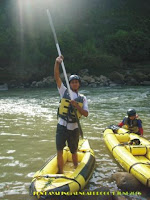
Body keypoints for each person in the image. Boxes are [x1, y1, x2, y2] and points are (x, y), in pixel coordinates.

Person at [54, 55, 89, 174]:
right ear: (70, 84)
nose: (74, 84)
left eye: (76, 82)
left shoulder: (82, 98)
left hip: (74, 128)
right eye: (72, 82)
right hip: (62, 126)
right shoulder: (64, 91)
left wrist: (77, 106)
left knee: (74, 151)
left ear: (79, 84)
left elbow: (85, 114)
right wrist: (57, 63)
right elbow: (57, 77)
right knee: (59, 150)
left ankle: (75, 169)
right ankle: (60, 172)